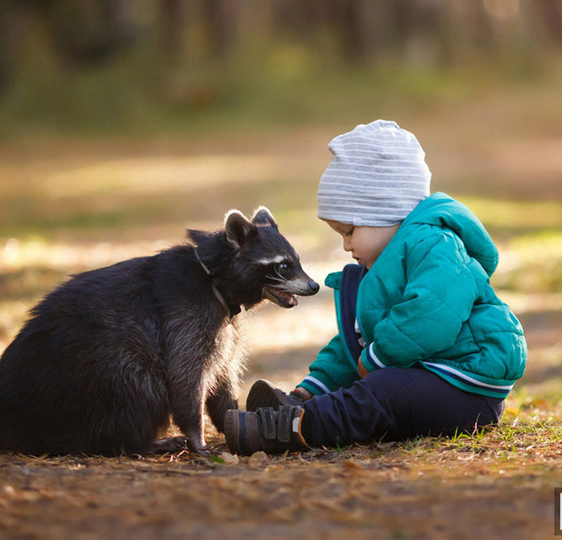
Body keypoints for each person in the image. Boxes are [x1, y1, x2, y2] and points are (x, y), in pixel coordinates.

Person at [223, 119, 527, 454]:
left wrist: (380, 355)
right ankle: (302, 403)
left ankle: (292, 427)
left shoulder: (435, 246)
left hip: (465, 386)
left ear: (387, 211)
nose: (346, 246)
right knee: (379, 384)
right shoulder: (379, 271)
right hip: (428, 377)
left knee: (380, 392)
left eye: (350, 231)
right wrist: (315, 383)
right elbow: (354, 342)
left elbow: (430, 316)